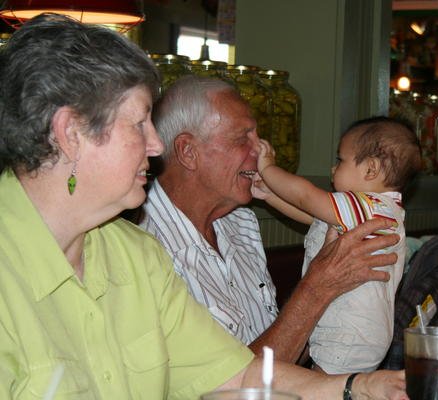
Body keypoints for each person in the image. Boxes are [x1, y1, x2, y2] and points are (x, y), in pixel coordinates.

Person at [0, 13, 409, 399]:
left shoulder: (136, 255)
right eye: (139, 124)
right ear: (71, 133)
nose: (156, 145)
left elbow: (235, 375)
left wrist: (362, 386)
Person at [139, 75, 401, 366]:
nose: (261, 149)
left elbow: (282, 348)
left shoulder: (241, 223)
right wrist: (317, 288)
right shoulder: (141, 248)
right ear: (189, 152)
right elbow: (223, 383)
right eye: (243, 138)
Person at [252, 117, 422, 374]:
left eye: (341, 160)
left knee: (322, 387)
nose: (333, 168)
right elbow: (311, 215)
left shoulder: (373, 206)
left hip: (350, 334)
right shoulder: (363, 209)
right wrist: (269, 195)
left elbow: (306, 197)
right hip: (350, 331)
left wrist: (268, 168)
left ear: (371, 169)